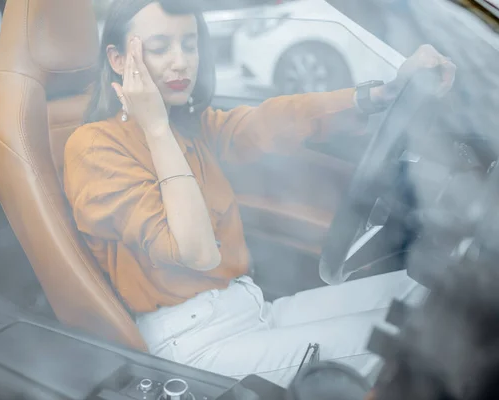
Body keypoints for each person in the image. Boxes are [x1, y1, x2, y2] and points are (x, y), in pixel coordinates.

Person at [64, 0, 456, 388]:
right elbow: (197, 252)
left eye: (189, 43)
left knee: (421, 292)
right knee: (412, 339)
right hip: (193, 344)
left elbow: (267, 123)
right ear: (118, 60)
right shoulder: (95, 146)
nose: (181, 61)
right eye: (160, 47)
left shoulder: (189, 126)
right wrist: (155, 128)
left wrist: (377, 96)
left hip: (250, 308)